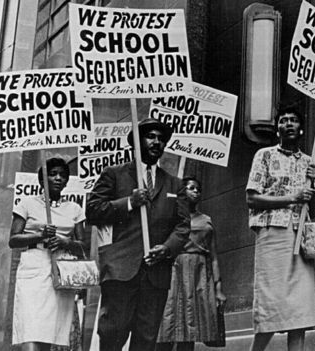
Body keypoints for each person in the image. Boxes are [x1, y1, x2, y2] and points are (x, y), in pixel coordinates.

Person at [86, 118, 190, 351]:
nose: (157, 142)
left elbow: (182, 226)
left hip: (156, 274)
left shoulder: (175, 184)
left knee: (146, 340)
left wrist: (167, 248)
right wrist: (129, 203)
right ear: (136, 141)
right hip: (121, 271)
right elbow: (92, 211)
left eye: (161, 139)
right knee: (113, 335)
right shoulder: (114, 174)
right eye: (151, 136)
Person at [245, 106, 315, 351]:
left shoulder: (310, 162)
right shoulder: (264, 155)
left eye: (294, 120)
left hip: (301, 237)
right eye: (284, 120)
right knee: (271, 305)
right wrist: (292, 197)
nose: (289, 124)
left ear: (300, 129)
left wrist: (312, 180)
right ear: (277, 128)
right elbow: (252, 198)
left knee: (299, 311)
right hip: (272, 235)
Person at [9, 158, 87, 351]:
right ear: (42, 180)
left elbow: (82, 245)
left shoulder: (75, 209)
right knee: (30, 325)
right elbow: (13, 240)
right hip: (34, 267)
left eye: (62, 175)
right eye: (53, 174)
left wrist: (65, 242)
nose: (58, 178)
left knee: (48, 331)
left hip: (60, 269)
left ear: (67, 181)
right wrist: (39, 235)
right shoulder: (27, 204)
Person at [155, 176, 227, 351]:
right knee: (168, 322)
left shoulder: (206, 220)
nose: (196, 191)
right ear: (181, 192)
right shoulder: (171, 219)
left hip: (198, 274)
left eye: (198, 189)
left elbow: (214, 256)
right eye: (191, 188)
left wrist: (218, 289)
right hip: (174, 271)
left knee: (191, 326)